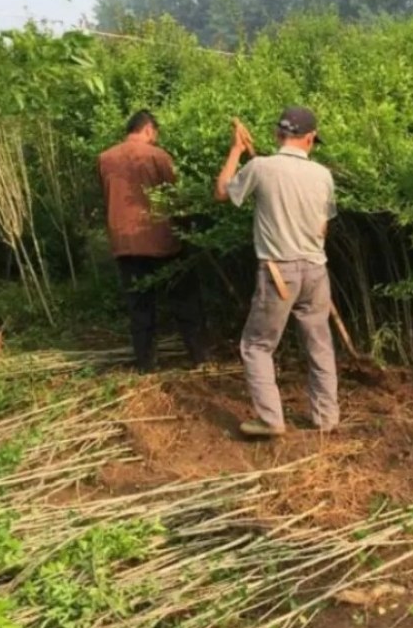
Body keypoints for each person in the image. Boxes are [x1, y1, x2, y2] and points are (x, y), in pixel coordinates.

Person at [214, 106, 339, 437]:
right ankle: (326, 418)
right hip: (316, 270)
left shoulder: (261, 167)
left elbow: (222, 191)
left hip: (278, 272)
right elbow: (322, 229)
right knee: (319, 344)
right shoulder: (323, 175)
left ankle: (271, 419)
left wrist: (236, 151)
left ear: (277, 135)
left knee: (257, 345)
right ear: (310, 138)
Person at [99, 110, 207, 372]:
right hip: (163, 240)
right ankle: (198, 357)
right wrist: (188, 231)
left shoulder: (105, 158)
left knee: (139, 307)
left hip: (124, 243)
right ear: (148, 130)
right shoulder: (158, 157)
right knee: (185, 299)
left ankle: (146, 365)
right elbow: (176, 197)